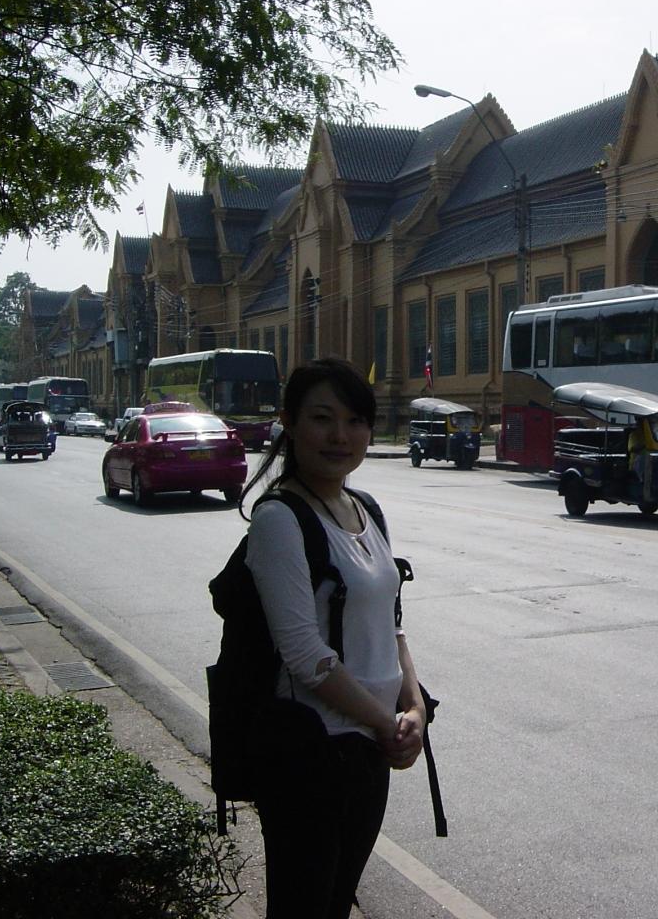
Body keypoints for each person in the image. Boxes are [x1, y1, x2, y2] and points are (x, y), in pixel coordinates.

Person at [239, 357, 426, 918]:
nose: (340, 436)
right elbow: (304, 655)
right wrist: (384, 721)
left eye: (355, 420)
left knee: (336, 901)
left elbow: (391, 625)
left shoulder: (366, 509)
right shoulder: (280, 519)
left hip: (371, 749)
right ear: (290, 423)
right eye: (322, 418)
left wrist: (415, 709)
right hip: (312, 753)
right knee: (304, 906)